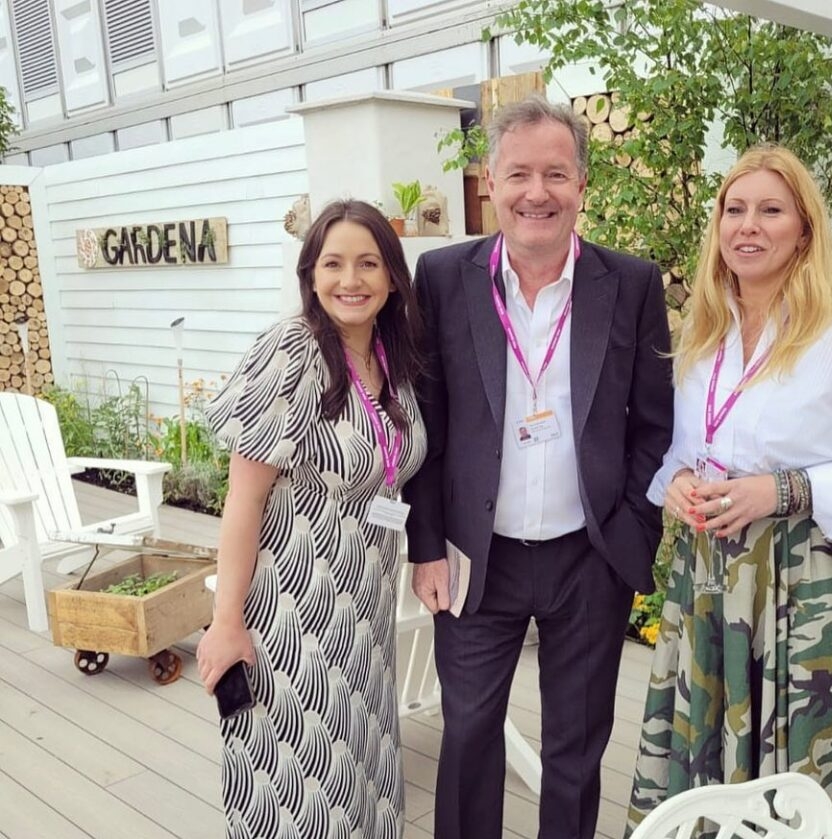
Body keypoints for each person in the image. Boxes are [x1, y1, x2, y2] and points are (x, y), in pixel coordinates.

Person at [625, 145, 832, 839]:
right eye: (735, 209)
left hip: (810, 584)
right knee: (711, 778)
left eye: (770, 210)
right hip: (711, 578)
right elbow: (678, 450)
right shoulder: (703, 335)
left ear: (805, 231)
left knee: (810, 773)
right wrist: (679, 485)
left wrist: (781, 491)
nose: (747, 226)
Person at [402, 95, 674, 839]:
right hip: (472, 557)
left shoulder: (632, 284)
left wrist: (629, 534)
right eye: (518, 173)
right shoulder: (443, 277)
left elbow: (655, 424)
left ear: (583, 185)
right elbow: (428, 420)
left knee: (576, 751)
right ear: (490, 182)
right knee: (468, 736)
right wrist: (425, 544)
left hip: (589, 558)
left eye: (556, 173)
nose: (537, 192)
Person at [196, 200, 426, 838]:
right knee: (298, 798)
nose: (350, 280)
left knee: (360, 782)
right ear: (311, 273)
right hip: (292, 622)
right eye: (333, 263)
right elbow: (241, 503)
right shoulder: (290, 352)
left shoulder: (392, 355)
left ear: (391, 276)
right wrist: (225, 623)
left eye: (367, 263)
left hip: (365, 618)